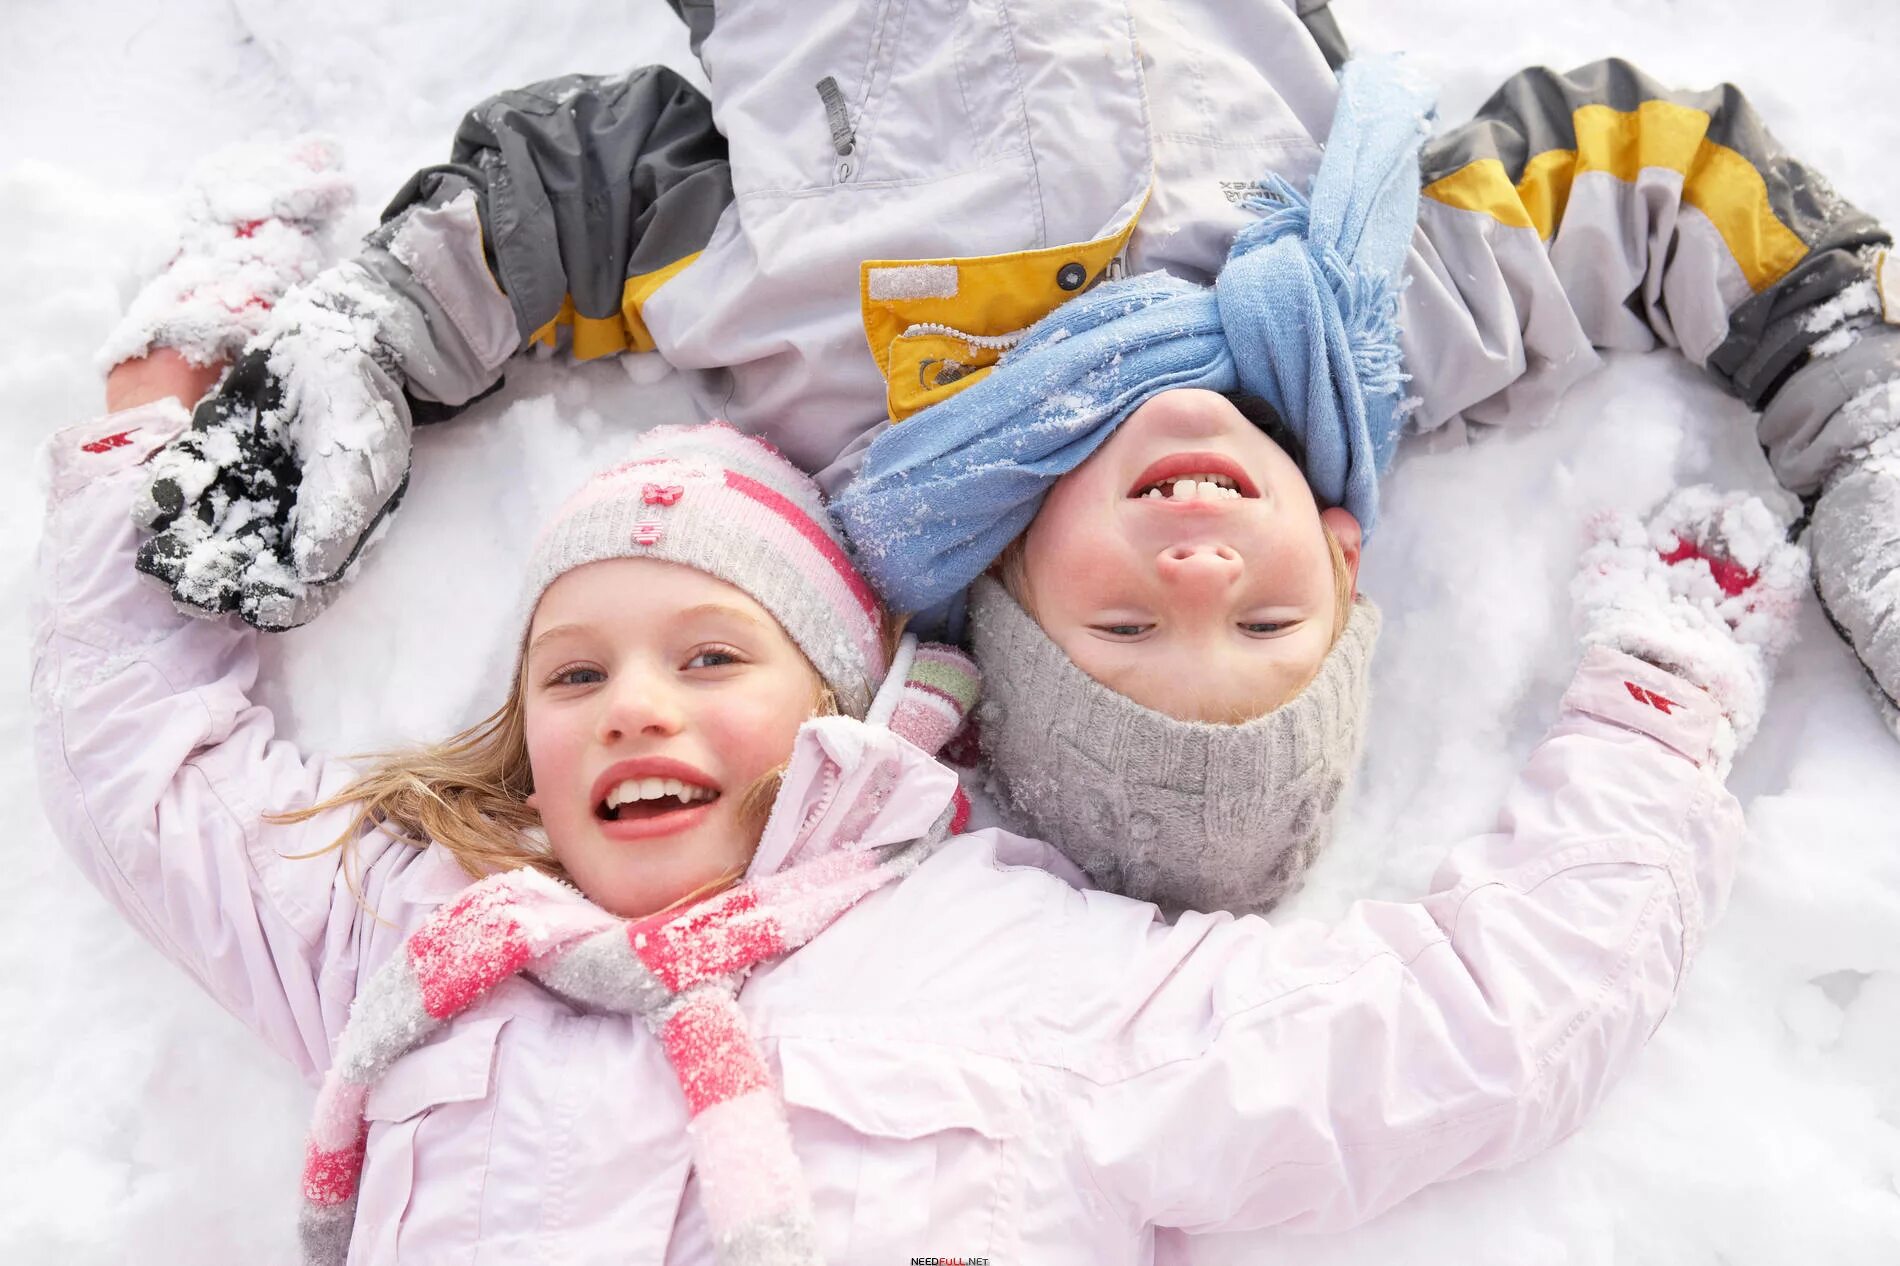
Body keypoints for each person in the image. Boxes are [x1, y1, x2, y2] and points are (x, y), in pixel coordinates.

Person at [40, 314, 1808, 1261]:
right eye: (573, 675)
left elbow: (1461, 1033)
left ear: (844, 705)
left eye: (712, 660)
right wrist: (153, 438)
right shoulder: (424, 943)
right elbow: (151, 782)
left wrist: (1655, 713)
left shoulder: (1016, 967)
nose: (631, 710)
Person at [119, 5, 1900, 735]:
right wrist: (1869, 428)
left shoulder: (829, 379)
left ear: (1015, 601)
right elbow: (1678, 181)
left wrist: (363, 345)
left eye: (1131, 631)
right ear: (1343, 566)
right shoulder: (1388, 307)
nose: (1197, 570)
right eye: (1261, 625)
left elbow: (563, 202)